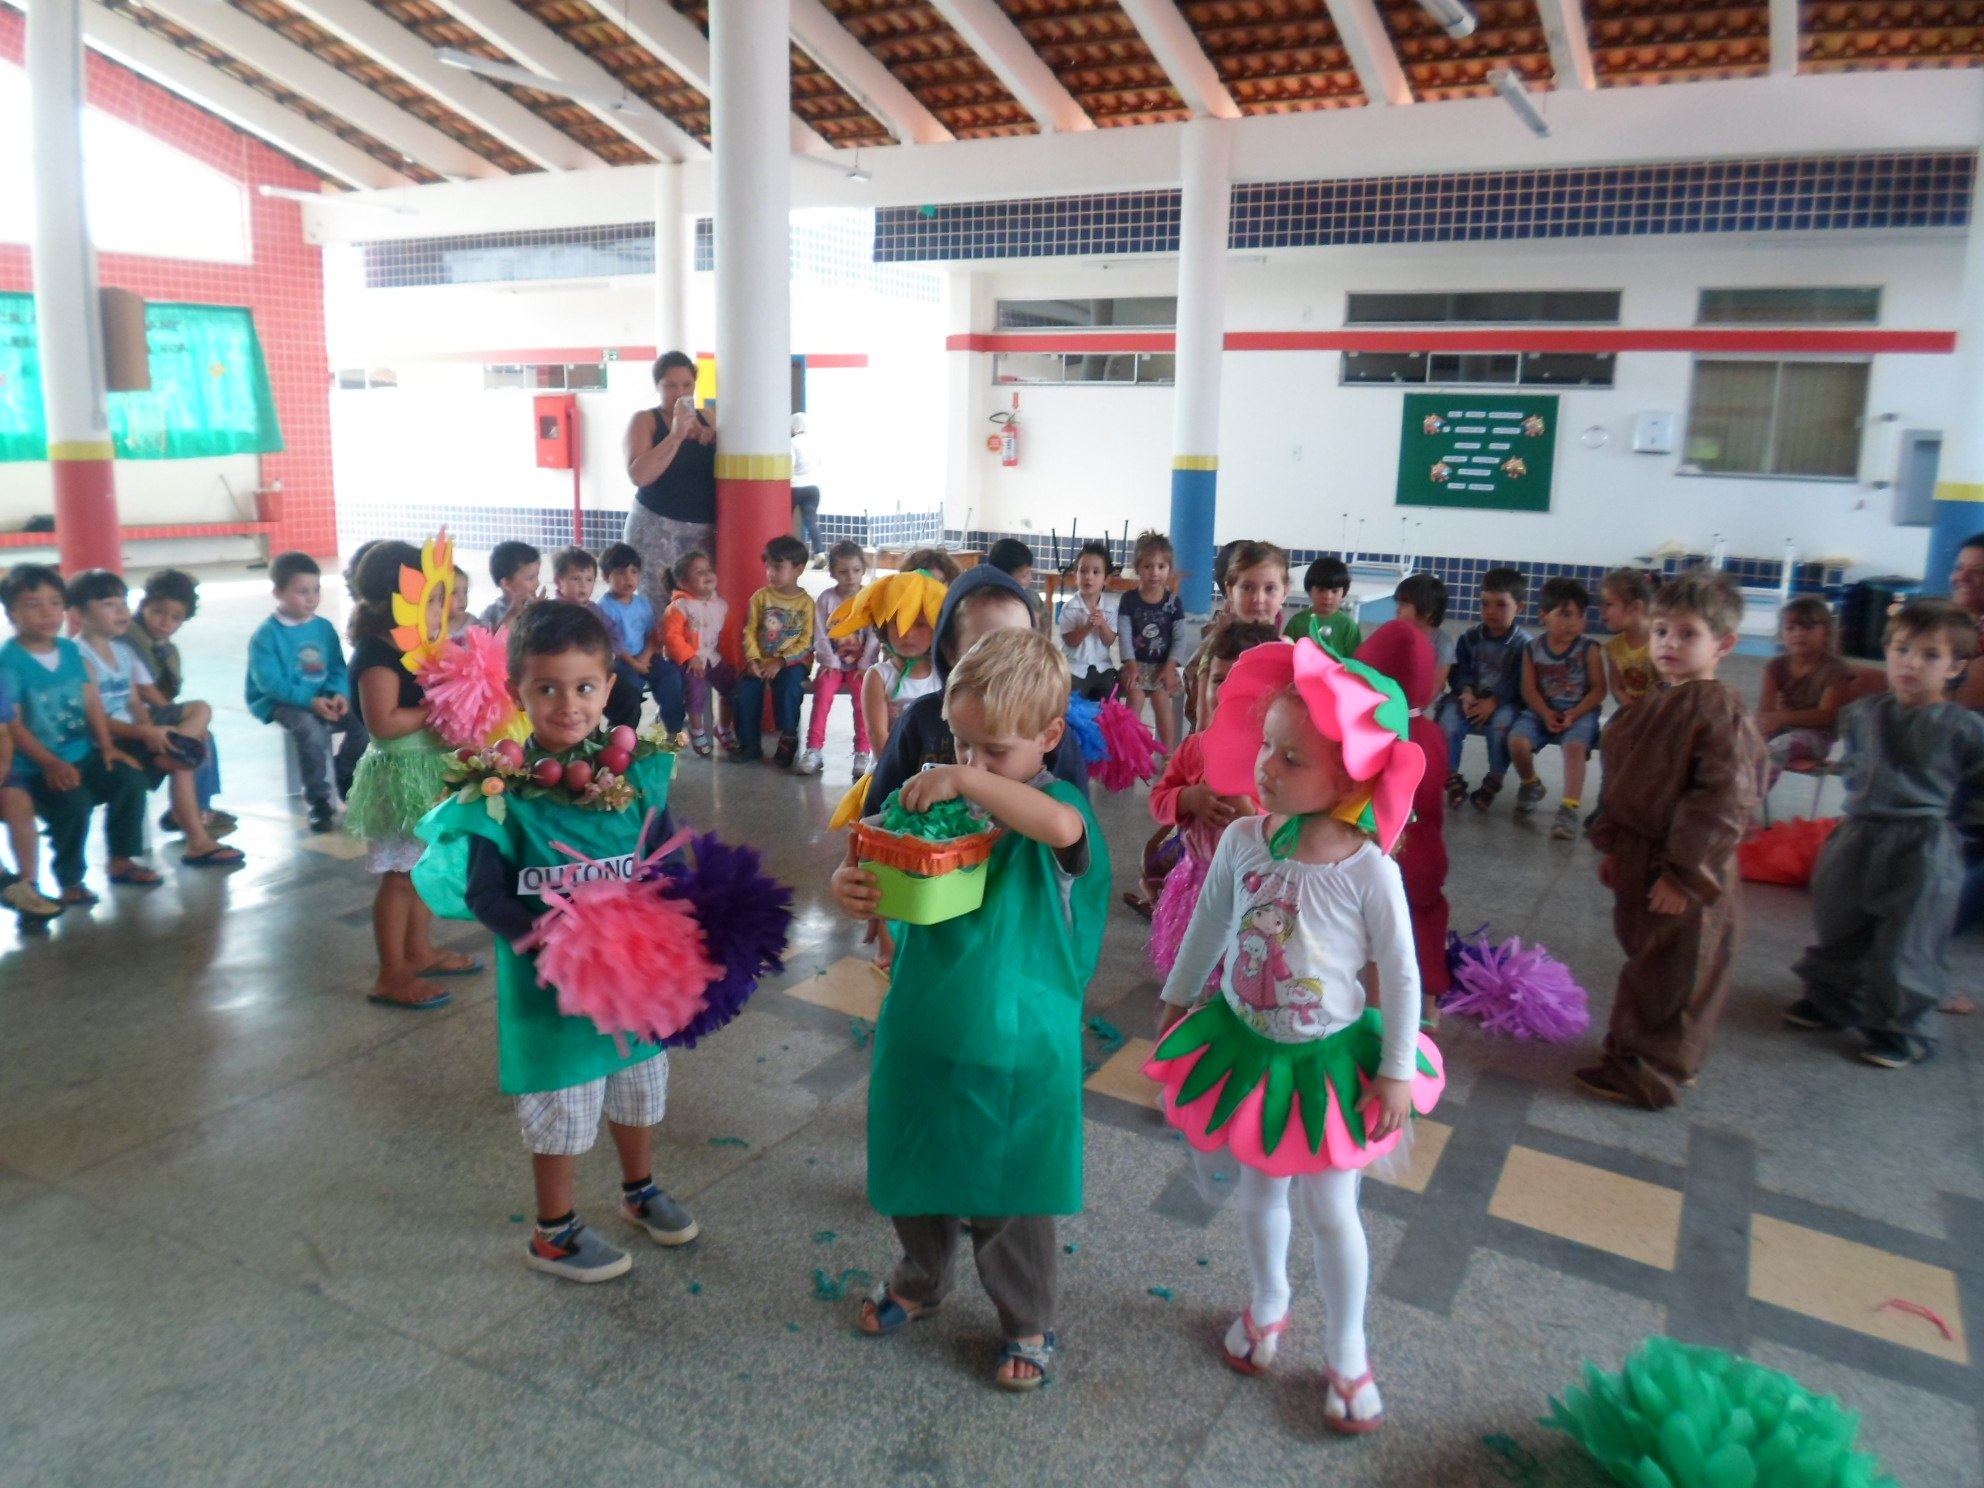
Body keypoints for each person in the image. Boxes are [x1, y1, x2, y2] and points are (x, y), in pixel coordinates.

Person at [1143, 636, 1444, 1432]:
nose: (1267, 768)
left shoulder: (1367, 869)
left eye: (1293, 757)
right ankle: (1269, 1302)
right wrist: (1177, 1001)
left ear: (1350, 777)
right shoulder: (1244, 840)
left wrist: (1393, 1072)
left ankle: (1348, 1351)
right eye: (1267, 747)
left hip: (1325, 1066)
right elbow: (1210, 922)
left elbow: (1403, 974)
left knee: (1333, 1211)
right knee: (1257, 1190)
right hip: (1248, 1052)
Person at [840, 627, 1109, 1392]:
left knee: (1011, 1193)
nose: (971, 764)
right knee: (916, 1157)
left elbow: (1061, 829)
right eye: (961, 744)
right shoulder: (939, 788)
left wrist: (973, 784)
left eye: (995, 750)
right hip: (927, 1018)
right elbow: (871, 850)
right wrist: (851, 886)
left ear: (1050, 737)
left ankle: (1027, 1319)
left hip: (1018, 1040)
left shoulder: (1053, 809)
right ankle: (920, 1279)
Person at [414, 601, 697, 1282]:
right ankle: (554, 1232)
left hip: (632, 985)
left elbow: (667, 858)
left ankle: (639, 1189)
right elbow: (486, 895)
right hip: (553, 993)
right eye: (547, 688)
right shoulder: (499, 792)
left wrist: (677, 921)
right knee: (562, 1109)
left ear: (608, 686)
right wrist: (550, 946)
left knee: (637, 1089)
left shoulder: (635, 776)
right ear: (519, 692)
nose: (567, 705)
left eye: (584, 687)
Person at [1578, 569, 1767, 1110]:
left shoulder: (1716, 707)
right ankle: (1636, 1051)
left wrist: (1684, 875)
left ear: (1724, 644)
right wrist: (1614, 845)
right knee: (1648, 957)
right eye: (1661, 631)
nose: (1669, 644)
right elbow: (1632, 777)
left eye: (1688, 634)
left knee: (1676, 971)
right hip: (1645, 855)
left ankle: (1652, 1072)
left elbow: (1722, 801)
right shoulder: (1666, 698)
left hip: (1684, 866)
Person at [1785, 600, 1984, 1068]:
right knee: (1841, 924)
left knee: (1908, 939)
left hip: (1924, 843)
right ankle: (1832, 999)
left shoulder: (1965, 727)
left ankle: (1900, 1027)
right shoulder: (1863, 714)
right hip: (1859, 834)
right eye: (1901, 649)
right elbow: (1856, 766)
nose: (1911, 663)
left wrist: (1958, 826)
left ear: (1955, 666)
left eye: (1929, 655)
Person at [343, 542, 479, 1012]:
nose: (444, 610)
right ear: (399, 601)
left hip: (428, 772)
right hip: (400, 778)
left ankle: (419, 951)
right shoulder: (377, 656)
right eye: (436, 599)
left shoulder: (412, 648)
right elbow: (383, 722)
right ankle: (390, 973)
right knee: (400, 878)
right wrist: (435, 709)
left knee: (421, 870)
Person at [67, 570, 242, 870]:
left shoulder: (121, 651)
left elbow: (134, 699)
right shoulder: (78, 655)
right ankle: (190, 824)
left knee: (186, 747)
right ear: (79, 613)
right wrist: (146, 732)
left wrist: (151, 728)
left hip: (134, 730)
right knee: (185, 751)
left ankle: (198, 842)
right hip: (107, 739)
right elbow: (95, 716)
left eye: (123, 602)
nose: (122, 610)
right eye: (110, 604)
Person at [0, 564, 153, 903]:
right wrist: (50, 764)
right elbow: (13, 725)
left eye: (55, 602)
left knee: (130, 779)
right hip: (37, 766)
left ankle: (121, 860)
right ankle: (71, 882)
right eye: (33, 604)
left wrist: (107, 745)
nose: (47, 613)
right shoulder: (9, 662)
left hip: (82, 752)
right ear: (11, 613)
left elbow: (91, 701)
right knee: (75, 803)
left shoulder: (70, 651)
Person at [1143, 620, 1279, 965]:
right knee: (1194, 976)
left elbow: (1297, 828)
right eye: (1219, 681)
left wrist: (1252, 815)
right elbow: (1158, 802)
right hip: (1197, 886)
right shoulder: (1193, 749)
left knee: (1247, 974)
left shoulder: (1279, 757)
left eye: (1246, 683)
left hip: (1258, 893)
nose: (1228, 693)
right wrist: (1188, 799)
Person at [1359, 618, 1451, 1026]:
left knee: (1381, 939)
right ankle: (1429, 1013)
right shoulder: (1433, 733)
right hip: (1429, 852)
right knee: (1426, 923)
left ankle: (1378, 1019)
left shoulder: (1375, 734)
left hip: (1387, 856)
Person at [247, 552, 369, 834]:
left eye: (316, 590)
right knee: (311, 733)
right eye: (302, 591)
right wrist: (309, 701)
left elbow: (339, 668)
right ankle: (319, 801)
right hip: (282, 701)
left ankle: (346, 773)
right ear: (278, 592)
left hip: (324, 697)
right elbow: (269, 683)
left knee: (363, 725)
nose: (311, 598)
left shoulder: (323, 628)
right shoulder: (267, 635)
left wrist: (339, 693)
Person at [128, 567, 232, 840]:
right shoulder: (129, 638)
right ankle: (181, 755)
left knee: (202, 735)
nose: (165, 622)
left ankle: (195, 808)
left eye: (175, 617)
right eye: (159, 612)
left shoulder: (165, 648)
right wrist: (173, 717)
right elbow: (145, 690)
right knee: (200, 717)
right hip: (132, 717)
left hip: (155, 714)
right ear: (143, 605)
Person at [1507, 576, 1606, 840]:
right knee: (1517, 742)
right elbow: (1528, 689)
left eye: (1579, 614)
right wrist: (1545, 712)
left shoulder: (1589, 649)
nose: (1573, 621)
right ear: (1543, 616)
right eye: (1564, 614)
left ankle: (1569, 808)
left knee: (1574, 748)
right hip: (1542, 709)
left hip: (1580, 710)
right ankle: (1531, 784)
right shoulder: (1532, 649)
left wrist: (1575, 713)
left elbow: (1599, 689)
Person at [623, 351, 717, 612]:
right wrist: (675, 436)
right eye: (671, 386)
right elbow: (639, 475)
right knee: (658, 605)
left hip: (702, 529)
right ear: (658, 386)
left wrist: (715, 439)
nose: (680, 392)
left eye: (687, 385)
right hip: (656, 525)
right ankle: (653, 654)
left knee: (699, 604)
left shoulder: (708, 416)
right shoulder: (645, 420)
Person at [1438, 566, 1529, 812]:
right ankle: (1451, 776)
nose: (1491, 611)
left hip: (1505, 703)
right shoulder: (1470, 638)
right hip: (1470, 698)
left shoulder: (1523, 645)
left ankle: (1494, 778)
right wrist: (1465, 691)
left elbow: (1520, 681)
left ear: (1519, 607)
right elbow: (1459, 671)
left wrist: (1495, 701)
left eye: (1501, 605)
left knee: (1502, 725)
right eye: (1485, 603)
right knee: (1448, 719)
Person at [1181, 540, 1293, 732]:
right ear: (1230, 591)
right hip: (1222, 739)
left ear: (1285, 593)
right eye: (1247, 587)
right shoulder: (1217, 646)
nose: (1258, 598)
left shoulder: (1286, 648)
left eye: (1269, 589)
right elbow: (1202, 711)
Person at [845, 568, 945, 760]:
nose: (908, 633)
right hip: (889, 774)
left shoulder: (942, 675)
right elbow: (878, 735)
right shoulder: (878, 676)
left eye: (921, 624)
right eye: (897, 623)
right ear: (883, 626)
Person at [797, 540, 876, 777]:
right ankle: (814, 749)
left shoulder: (870, 598)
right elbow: (819, 633)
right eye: (843, 571)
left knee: (863, 701)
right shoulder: (826, 599)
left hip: (861, 666)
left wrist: (865, 664)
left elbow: (875, 636)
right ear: (832, 573)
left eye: (856, 570)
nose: (850, 577)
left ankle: (863, 751)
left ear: (864, 569)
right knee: (822, 697)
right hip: (832, 663)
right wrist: (829, 661)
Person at [734, 535, 814, 766]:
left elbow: (807, 641)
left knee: (789, 688)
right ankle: (749, 745)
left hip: (792, 664)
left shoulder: (806, 603)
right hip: (760, 661)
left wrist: (781, 661)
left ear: (798, 569)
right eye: (768, 567)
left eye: (778, 567)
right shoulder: (760, 598)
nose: (771, 572)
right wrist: (753, 659)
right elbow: (749, 631)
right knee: (744, 691)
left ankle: (788, 736)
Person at [1757, 596, 1853, 774]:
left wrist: (1782, 717)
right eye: (1790, 628)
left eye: (1808, 627)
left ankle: (1747, 798)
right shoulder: (1775, 666)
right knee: (1740, 744)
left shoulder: (1834, 669)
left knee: (1775, 750)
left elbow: (1826, 716)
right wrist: (1761, 729)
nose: (1798, 633)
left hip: (1816, 737)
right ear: (1781, 634)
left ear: (1827, 633)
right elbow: (1766, 713)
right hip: (1780, 731)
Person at [1118, 531, 1188, 755]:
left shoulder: (1173, 603)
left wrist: (1169, 668)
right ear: (1137, 568)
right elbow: (1124, 633)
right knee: (1135, 697)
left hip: (1163, 667)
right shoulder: (1129, 600)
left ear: (1169, 569)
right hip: (1136, 665)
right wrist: (1130, 665)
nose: (1154, 573)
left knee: (1161, 700)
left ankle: (1168, 754)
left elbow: (1180, 638)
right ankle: (1130, 751)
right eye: (1148, 566)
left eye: (1161, 566)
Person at [661, 549, 733, 758]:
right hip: (688, 660)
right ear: (684, 583)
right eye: (699, 572)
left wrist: (732, 660)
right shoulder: (679, 606)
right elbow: (671, 636)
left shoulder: (721, 605)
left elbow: (728, 637)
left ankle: (724, 728)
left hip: (711, 657)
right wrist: (690, 656)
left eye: (708, 570)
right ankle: (697, 730)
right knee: (696, 689)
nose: (707, 575)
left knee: (732, 687)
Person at [596, 543, 668, 735]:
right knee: (627, 690)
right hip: (620, 661)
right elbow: (613, 646)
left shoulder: (642, 604)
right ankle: (622, 732)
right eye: (620, 573)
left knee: (670, 675)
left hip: (644, 656)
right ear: (605, 576)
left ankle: (670, 721)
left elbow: (652, 635)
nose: (628, 578)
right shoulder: (604, 608)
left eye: (634, 572)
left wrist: (644, 657)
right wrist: (635, 664)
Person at [1058, 540, 1121, 702]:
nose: (1088, 577)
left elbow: (1109, 641)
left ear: (1106, 579)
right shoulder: (1070, 607)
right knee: (1070, 700)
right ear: (1075, 577)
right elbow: (1070, 641)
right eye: (1083, 571)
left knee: (1110, 697)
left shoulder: (1110, 608)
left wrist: (1102, 625)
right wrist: (1088, 626)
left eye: (1096, 572)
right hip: (1074, 667)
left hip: (1102, 667)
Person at [1598, 569, 1655, 719]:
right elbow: (1616, 687)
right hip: (1630, 711)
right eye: (1602, 604)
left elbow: (1673, 688)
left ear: (1635, 607)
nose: (1601, 610)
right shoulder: (1614, 647)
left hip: (1661, 713)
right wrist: (1628, 704)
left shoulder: (1661, 644)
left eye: (1609, 604)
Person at [1391, 572, 1452, 699]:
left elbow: (1432, 691)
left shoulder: (1443, 645)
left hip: (1419, 706)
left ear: (1428, 611)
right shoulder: (1394, 636)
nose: (1398, 610)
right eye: (1398, 604)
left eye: (1404, 605)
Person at [1285, 556, 1361, 657]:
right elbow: (1286, 653)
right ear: (1309, 590)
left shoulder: (1349, 626)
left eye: (1334, 591)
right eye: (1321, 590)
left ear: (1344, 592)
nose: (1328, 597)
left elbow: (1356, 662)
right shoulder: (1297, 622)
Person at [478, 542, 542, 632]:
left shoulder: (536, 607)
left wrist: (542, 611)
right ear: (507, 584)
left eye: (537, 576)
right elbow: (489, 643)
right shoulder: (490, 615)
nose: (537, 583)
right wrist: (512, 613)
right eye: (530, 578)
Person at [790, 412, 824, 557]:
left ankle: (785, 552)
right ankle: (820, 553)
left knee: (785, 520)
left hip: (795, 488)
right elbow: (819, 462)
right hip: (813, 488)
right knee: (811, 521)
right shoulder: (814, 442)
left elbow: (790, 465)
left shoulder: (792, 442)